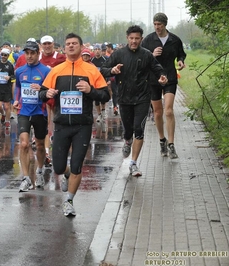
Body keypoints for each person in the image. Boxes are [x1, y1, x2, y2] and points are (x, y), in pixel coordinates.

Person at [39, 33, 110, 216]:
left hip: (83, 125)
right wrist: (47, 94)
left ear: (80, 47)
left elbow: (105, 95)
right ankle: (67, 173)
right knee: (58, 167)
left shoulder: (91, 70)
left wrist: (90, 90)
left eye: (74, 44)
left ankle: (69, 200)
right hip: (62, 124)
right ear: (64, 47)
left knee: (78, 164)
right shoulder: (56, 70)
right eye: (68, 44)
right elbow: (42, 92)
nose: (71, 46)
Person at [100, 25, 168, 177]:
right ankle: (127, 141)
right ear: (127, 38)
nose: (134, 41)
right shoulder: (118, 55)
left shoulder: (147, 55)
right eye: (131, 38)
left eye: (137, 38)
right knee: (128, 130)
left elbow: (158, 68)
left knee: (139, 129)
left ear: (141, 39)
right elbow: (103, 69)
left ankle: (133, 163)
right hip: (124, 98)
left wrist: (162, 76)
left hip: (143, 98)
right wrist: (112, 71)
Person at [141, 12, 186, 159]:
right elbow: (141, 58)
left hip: (170, 78)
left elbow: (181, 54)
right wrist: (152, 55)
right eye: (154, 24)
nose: (157, 27)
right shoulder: (148, 40)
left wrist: (180, 61)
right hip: (153, 80)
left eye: (159, 24)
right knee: (158, 113)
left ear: (165, 24)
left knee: (168, 111)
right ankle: (162, 140)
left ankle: (171, 144)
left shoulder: (174, 39)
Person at [13, 41, 51, 191]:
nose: (29, 56)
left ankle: (40, 171)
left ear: (38, 53)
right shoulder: (19, 71)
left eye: (32, 53)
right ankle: (26, 178)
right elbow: (17, 86)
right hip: (23, 111)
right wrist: (16, 99)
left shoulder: (45, 71)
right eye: (26, 53)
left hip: (39, 112)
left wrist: (41, 88)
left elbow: (49, 91)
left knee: (40, 145)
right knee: (24, 144)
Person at [39, 35, 66, 167]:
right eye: (44, 44)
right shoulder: (38, 58)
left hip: (59, 95)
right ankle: (47, 153)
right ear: (41, 45)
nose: (47, 46)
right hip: (43, 95)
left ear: (53, 44)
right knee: (47, 124)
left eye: (49, 43)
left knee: (57, 124)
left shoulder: (61, 58)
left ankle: (58, 150)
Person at [0, 48, 15, 129]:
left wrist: (9, 77)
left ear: (8, 56)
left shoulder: (10, 65)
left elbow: (13, 76)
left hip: (7, 88)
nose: (3, 56)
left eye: (5, 55)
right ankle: (3, 114)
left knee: (7, 106)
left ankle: (7, 121)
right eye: (2, 55)